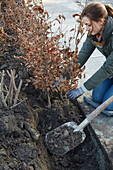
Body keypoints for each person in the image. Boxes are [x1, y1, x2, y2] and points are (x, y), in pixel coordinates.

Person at [67, 3, 113, 115]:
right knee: (96, 97)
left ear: (101, 21)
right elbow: (82, 55)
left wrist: (81, 90)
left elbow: (107, 68)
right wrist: (64, 76)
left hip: (110, 68)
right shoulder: (94, 34)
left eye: (88, 25)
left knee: (108, 106)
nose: (86, 28)